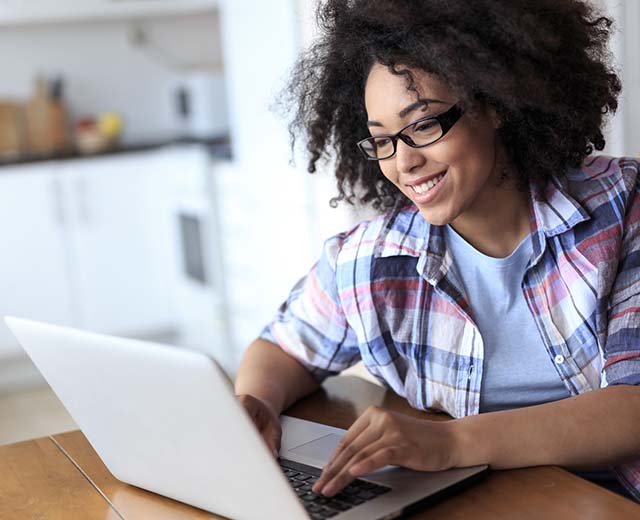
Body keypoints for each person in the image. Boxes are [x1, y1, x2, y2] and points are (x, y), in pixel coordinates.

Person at [234, 0, 640, 502]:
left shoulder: (622, 209)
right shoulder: (371, 260)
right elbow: (282, 347)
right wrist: (255, 404)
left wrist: (449, 443)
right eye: (382, 140)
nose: (404, 162)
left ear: (493, 103)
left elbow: (633, 407)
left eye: (424, 124)